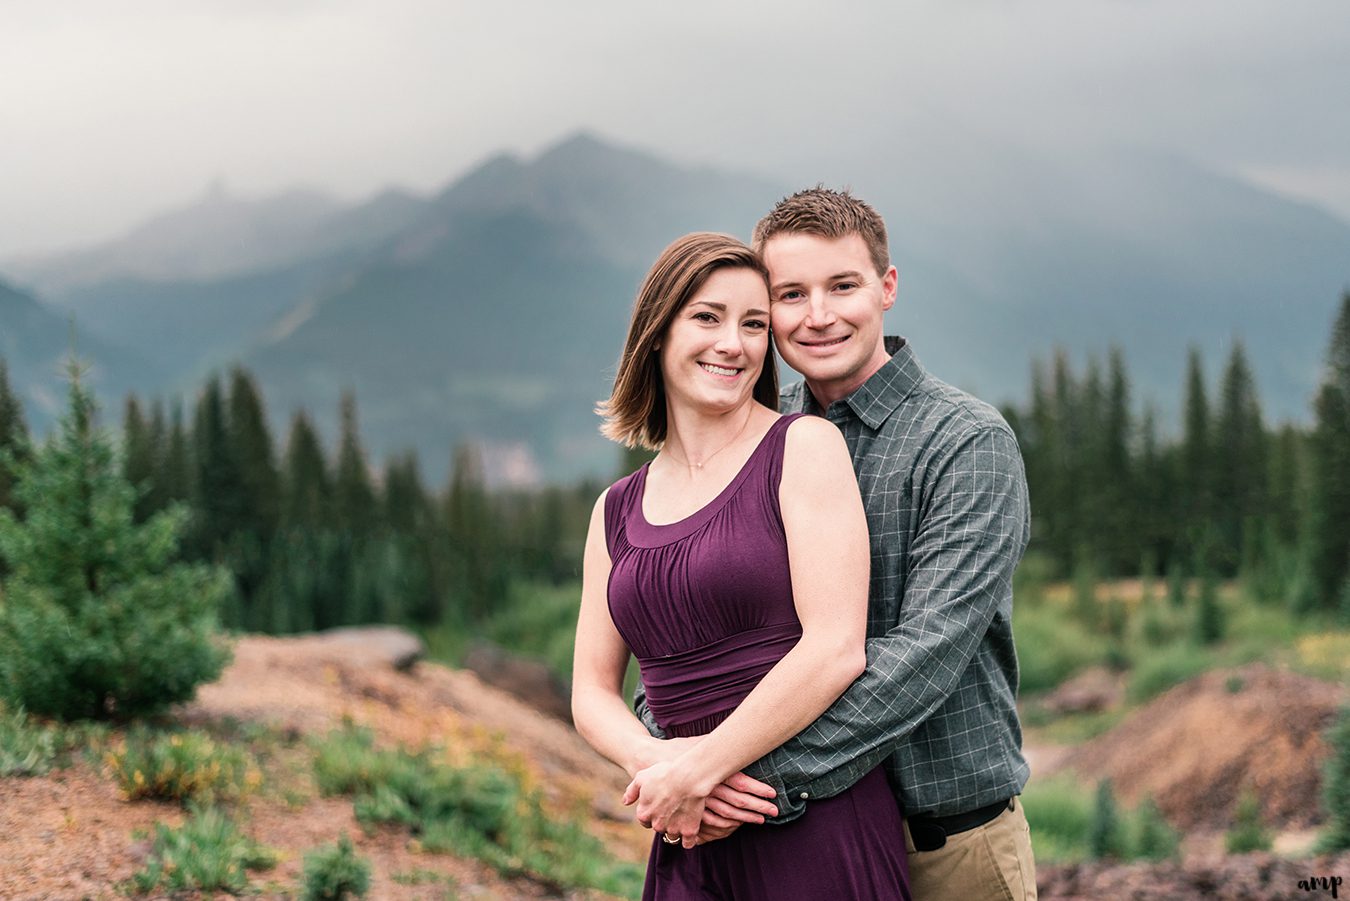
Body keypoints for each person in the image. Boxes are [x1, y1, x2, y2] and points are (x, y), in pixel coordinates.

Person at [632, 188, 1038, 900]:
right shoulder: (753, 440)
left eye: (842, 286)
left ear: (886, 288)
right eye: (791, 294)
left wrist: (739, 778)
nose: (818, 316)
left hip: (947, 844)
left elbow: (925, 654)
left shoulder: (966, 443)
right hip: (792, 847)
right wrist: (671, 749)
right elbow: (692, 616)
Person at [571, 232, 912, 900]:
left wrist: (702, 768)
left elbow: (836, 649)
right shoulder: (615, 509)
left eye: (754, 324)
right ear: (657, 331)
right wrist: (660, 765)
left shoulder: (804, 447)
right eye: (708, 317)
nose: (735, 343)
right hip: (690, 831)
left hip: (814, 829)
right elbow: (589, 690)